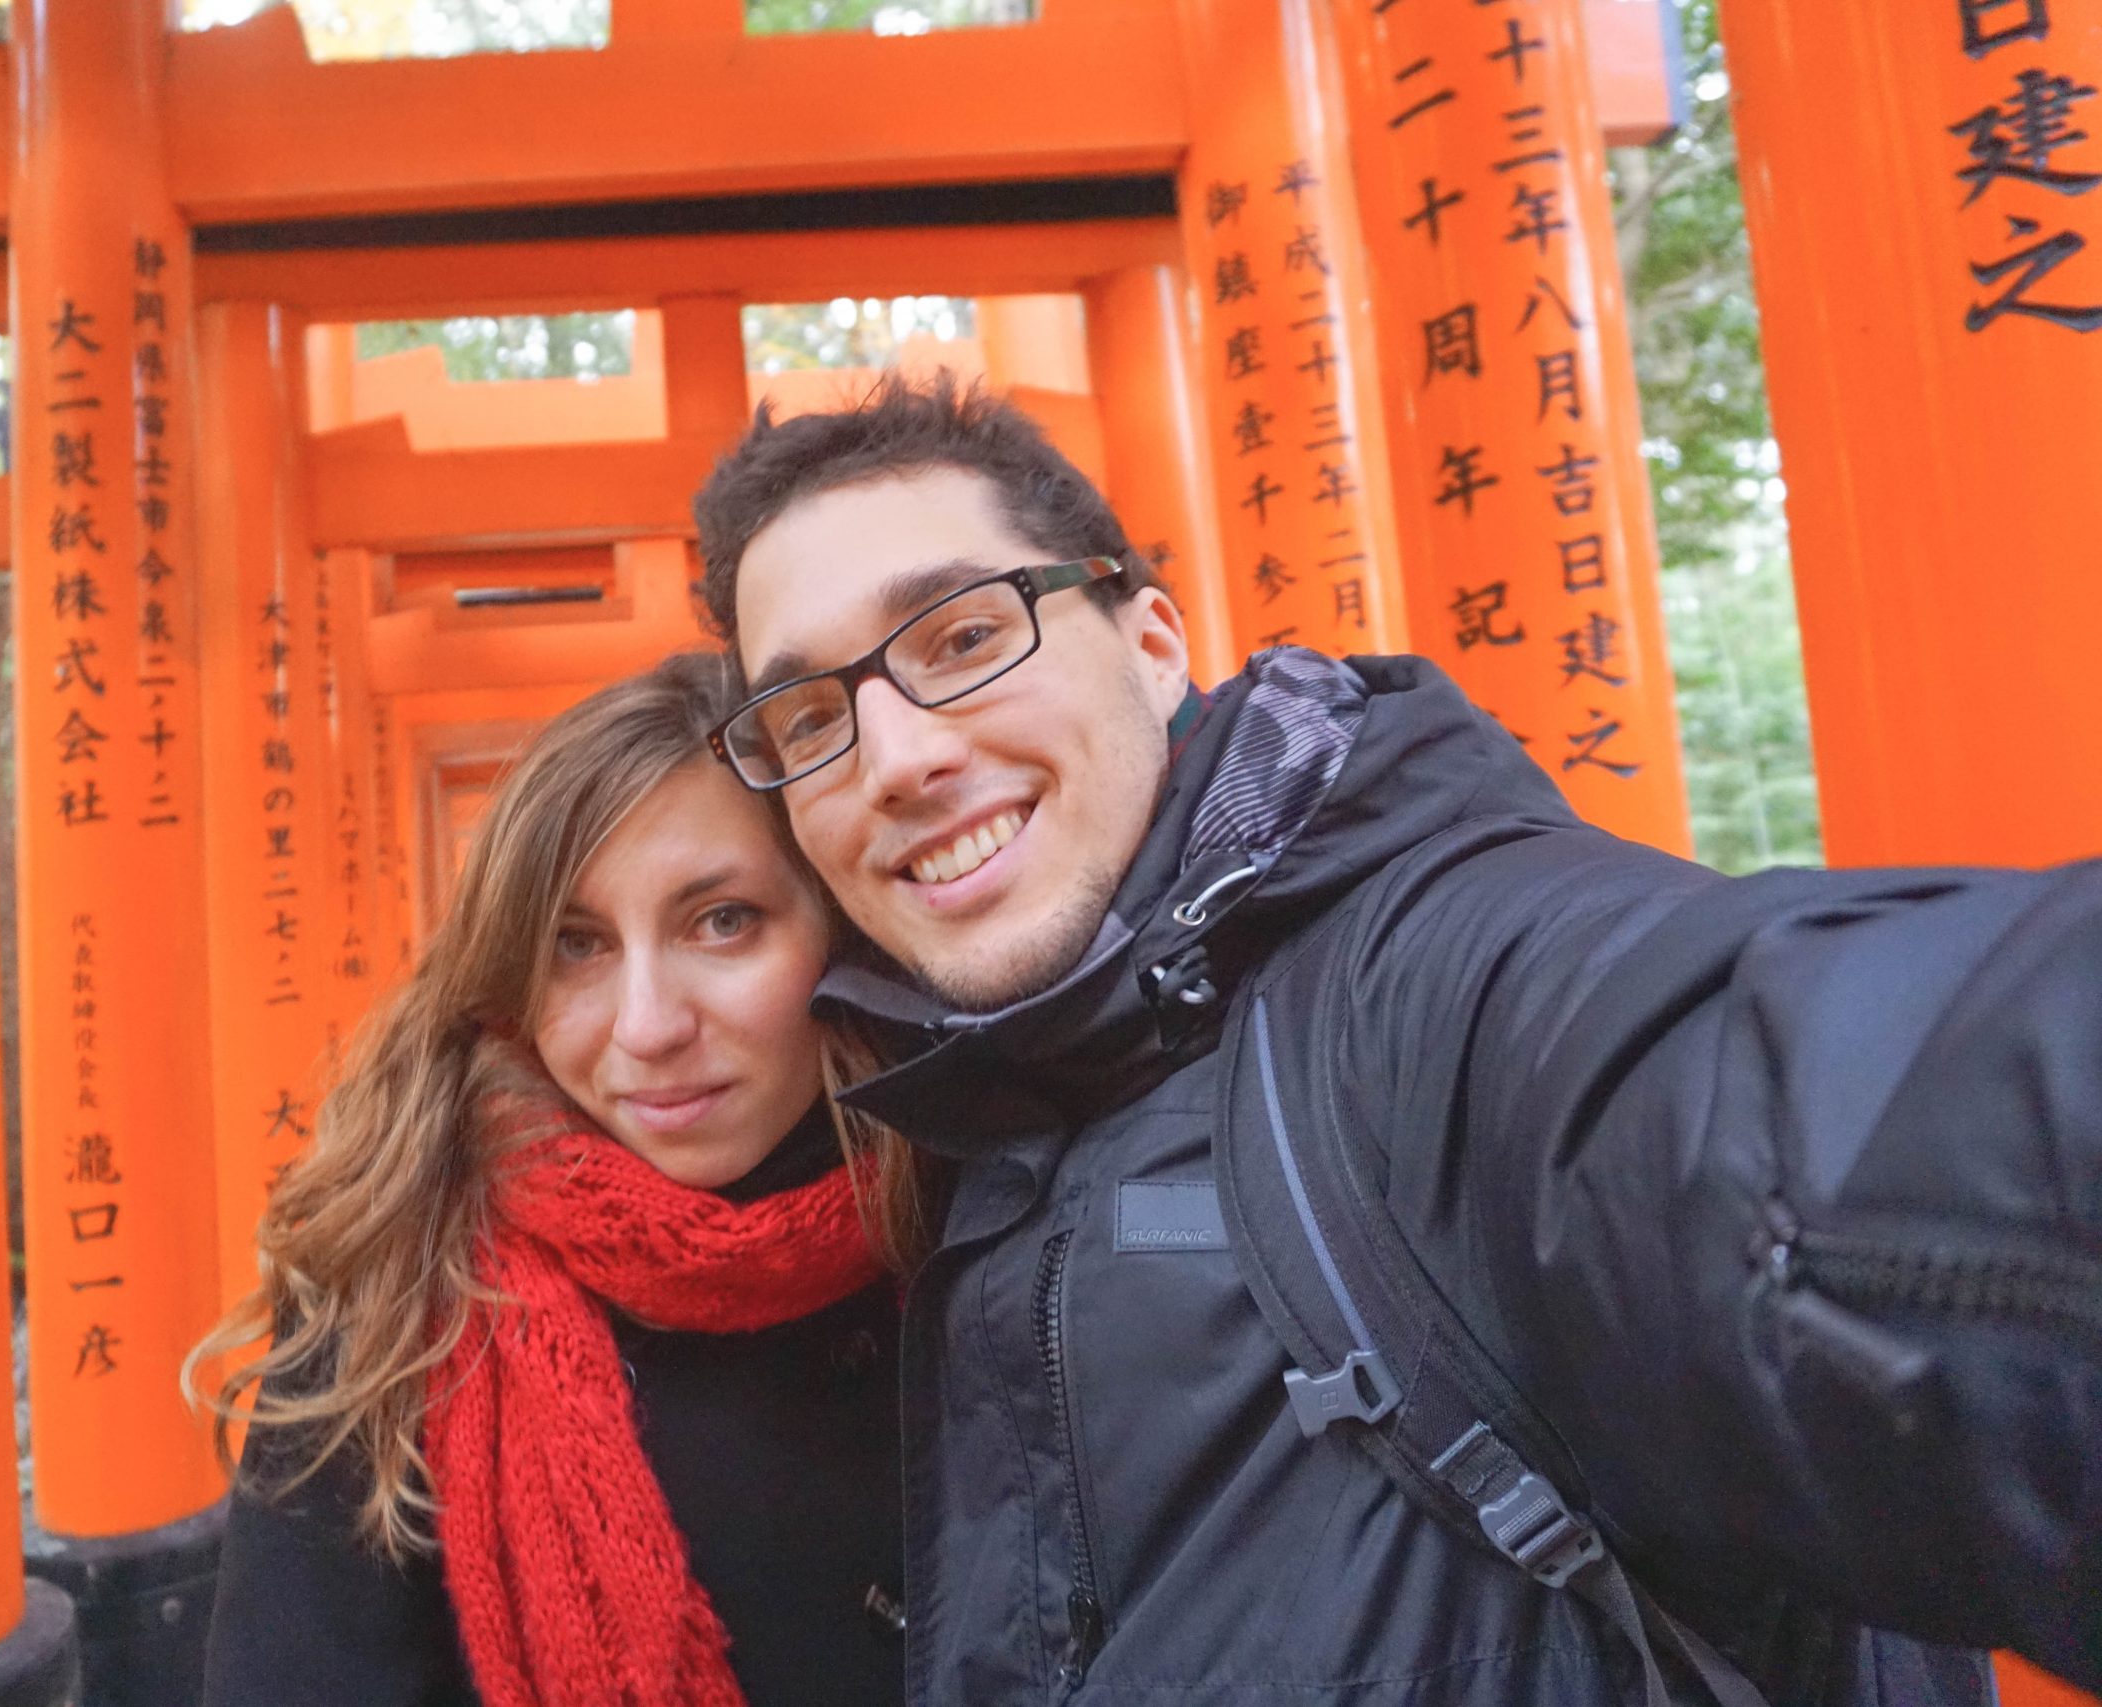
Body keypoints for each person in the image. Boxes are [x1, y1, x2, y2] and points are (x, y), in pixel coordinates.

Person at [688, 374, 2102, 1706]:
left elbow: (1823, 1108)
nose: (896, 758)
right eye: (810, 714)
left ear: (1154, 641)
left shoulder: (1429, 986)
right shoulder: (967, 1125)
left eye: (966, 634)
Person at [194, 654, 928, 1707]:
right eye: (574, 946)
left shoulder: (980, 1208)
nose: (647, 1027)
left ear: (840, 932)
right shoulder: (402, 1297)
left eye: (721, 920)